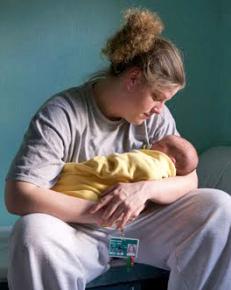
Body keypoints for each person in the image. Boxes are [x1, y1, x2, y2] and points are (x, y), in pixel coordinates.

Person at [4, 8, 231, 290]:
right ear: (133, 79)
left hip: (138, 234)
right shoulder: (62, 114)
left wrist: (144, 190)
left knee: (220, 207)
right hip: (78, 234)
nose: (161, 108)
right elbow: (18, 195)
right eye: (157, 97)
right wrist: (100, 212)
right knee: (31, 232)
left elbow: (190, 178)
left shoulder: (157, 117)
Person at [52, 135, 199, 202]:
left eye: (160, 143)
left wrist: (98, 165)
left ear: (171, 159)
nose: (155, 141)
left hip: (97, 192)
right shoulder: (163, 168)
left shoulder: (156, 163)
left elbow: (125, 165)